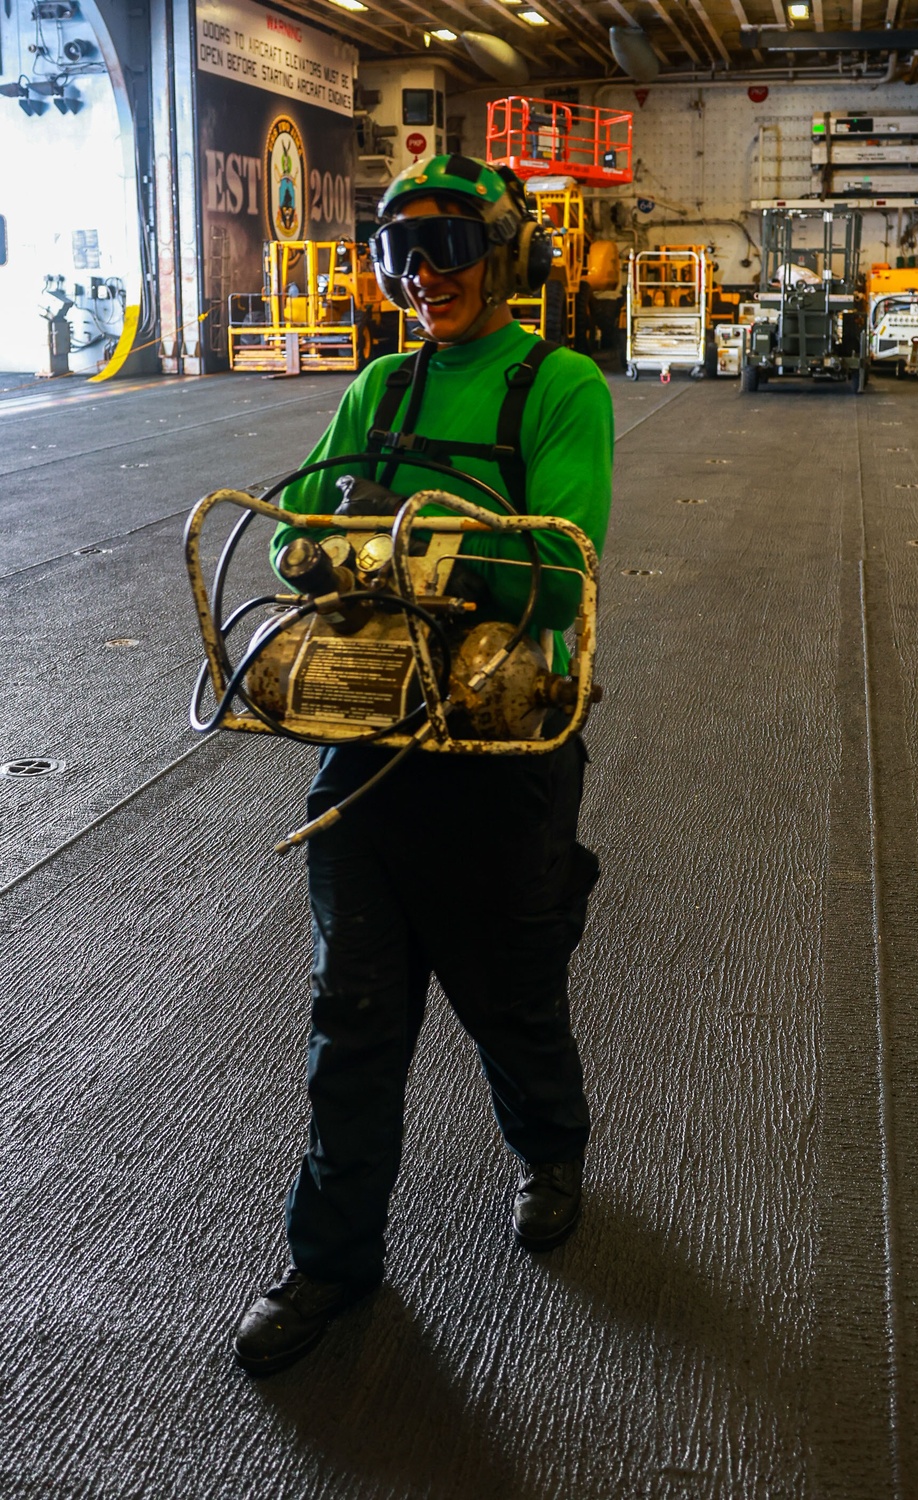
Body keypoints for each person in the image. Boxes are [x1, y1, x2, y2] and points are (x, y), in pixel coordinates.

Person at [233, 155, 614, 1376]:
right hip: (373, 745)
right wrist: (399, 555)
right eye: (398, 254)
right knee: (349, 1020)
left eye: (444, 249)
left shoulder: (557, 386)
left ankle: (549, 1151)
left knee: (511, 996)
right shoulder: (381, 387)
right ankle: (331, 1260)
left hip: (502, 752)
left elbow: (555, 571)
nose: (419, 277)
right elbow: (294, 543)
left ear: (505, 257)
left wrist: (388, 546)